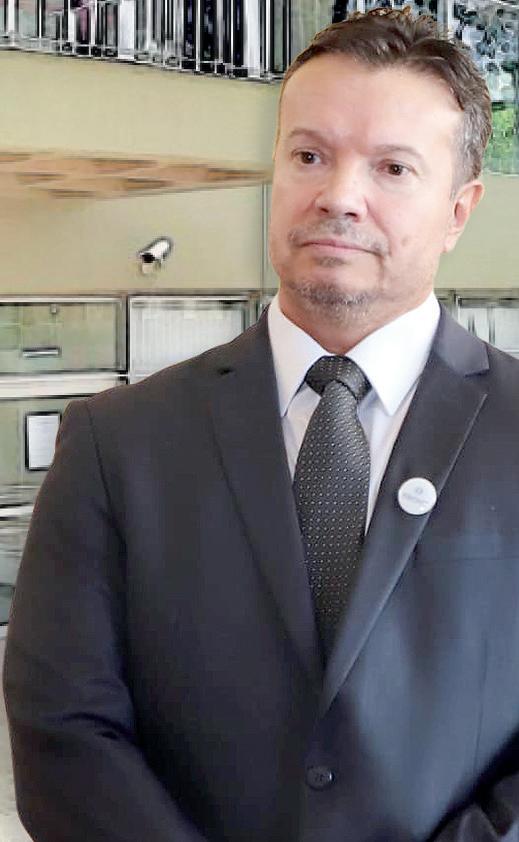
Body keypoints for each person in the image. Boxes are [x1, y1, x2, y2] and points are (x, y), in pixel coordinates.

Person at [3, 7, 519, 841]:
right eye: (308, 156)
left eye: (392, 168)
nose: (338, 196)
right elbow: (64, 732)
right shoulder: (118, 443)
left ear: (459, 210)